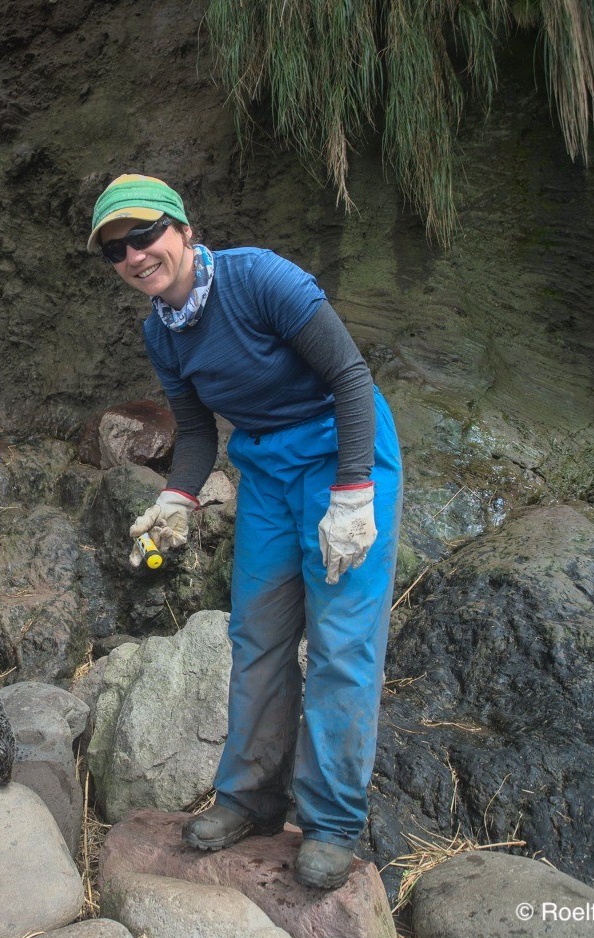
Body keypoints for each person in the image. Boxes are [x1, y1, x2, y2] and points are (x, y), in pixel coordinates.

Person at [87, 174, 402, 890]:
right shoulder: (159, 333)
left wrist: (354, 493)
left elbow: (351, 377)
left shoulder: (261, 278)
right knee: (256, 635)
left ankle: (330, 823)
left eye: (144, 234)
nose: (135, 255)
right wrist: (176, 496)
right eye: (116, 250)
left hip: (345, 454)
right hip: (265, 471)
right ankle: (249, 799)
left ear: (184, 230)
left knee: (341, 646)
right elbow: (197, 431)